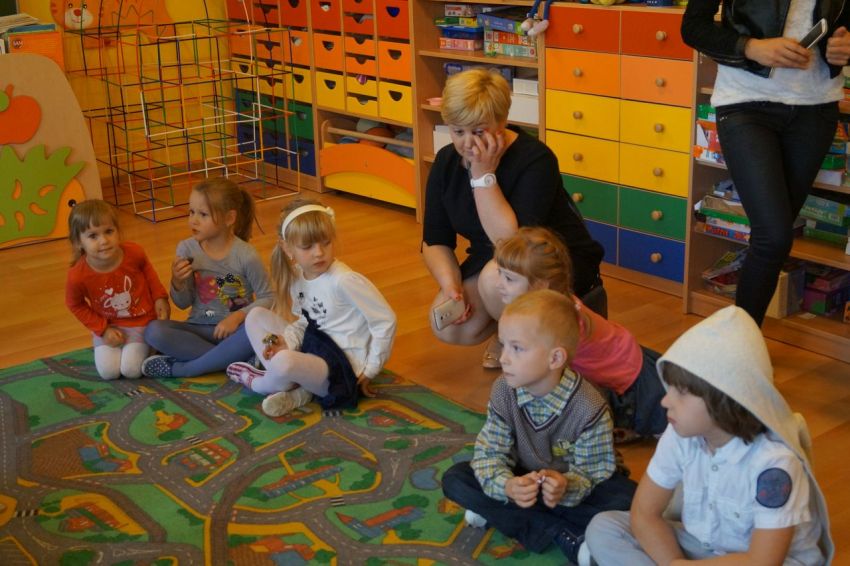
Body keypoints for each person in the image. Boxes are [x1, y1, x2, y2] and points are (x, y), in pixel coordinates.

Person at [585, 306, 834, 565]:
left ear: (724, 400)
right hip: (706, 550)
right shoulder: (680, 434)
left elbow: (763, 560)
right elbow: (644, 514)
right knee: (605, 528)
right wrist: (674, 563)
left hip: (767, 562)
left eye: (681, 393)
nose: (665, 401)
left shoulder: (773, 465)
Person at [421, 68, 605, 368]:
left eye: (478, 131)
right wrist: (452, 287)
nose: (467, 143)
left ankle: (521, 344)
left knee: (495, 278)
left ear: (502, 121)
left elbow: (511, 242)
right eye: (458, 131)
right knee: (448, 324)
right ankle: (508, 328)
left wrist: (483, 175)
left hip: (550, 260)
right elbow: (434, 239)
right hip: (495, 259)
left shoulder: (536, 159)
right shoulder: (446, 161)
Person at [681, 0, 850, 325]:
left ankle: (743, 339)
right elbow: (693, 27)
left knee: (773, 240)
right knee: (773, 237)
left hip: (815, 110)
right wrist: (751, 48)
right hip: (745, 104)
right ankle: (740, 343)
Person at [441, 290, 636, 565]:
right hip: (523, 477)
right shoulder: (503, 390)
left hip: (575, 485)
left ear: (555, 359)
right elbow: (490, 452)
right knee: (456, 479)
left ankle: (502, 513)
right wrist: (507, 486)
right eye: (503, 345)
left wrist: (565, 486)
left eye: (517, 348)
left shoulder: (589, 407)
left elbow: (593, 472)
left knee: (630, 501)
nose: (503, 358)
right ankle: (564, 534)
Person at [225, 199, 397, 416]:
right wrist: (285, 340)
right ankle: (298, 389)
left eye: (326, 243)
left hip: (341, 370)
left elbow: (385, 320)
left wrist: (371, 369)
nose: (319, 253)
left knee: (284, 362)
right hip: (313, 349)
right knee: (255, 316)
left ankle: (259, 382)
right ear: (287, 248)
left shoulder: (344, 280)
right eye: (307, 247)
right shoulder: (298, 276)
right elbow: (306, 323)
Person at [494, 227, 667, 440]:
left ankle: (627, 425)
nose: (499, 284)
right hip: (624, 363)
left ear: (540, 285)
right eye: (499, 273)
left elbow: (547, 379)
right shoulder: (548, 304)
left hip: (632, 387)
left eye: (509, 279)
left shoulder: (554, 320)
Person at [141, 178, 273, 377]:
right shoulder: (186, 249)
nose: (193, 221)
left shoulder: (246, 255)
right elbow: (182, 303)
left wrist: (237, 317)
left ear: (229, 218)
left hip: (236, 332)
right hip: (198, 329)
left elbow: (269, 297)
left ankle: (182, 368)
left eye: (203, 214)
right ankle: (235, 362)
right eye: (191, 212)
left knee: (260, 330)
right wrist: (177, 281)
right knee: (153, 331)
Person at [65, 199, 170, 380]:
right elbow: (75, 304)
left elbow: (150, 274)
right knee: (109, 373)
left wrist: (160, 297)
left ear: (117, 231)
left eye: (109, 231)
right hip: (108, 326)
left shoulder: (134, 252)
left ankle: (153, 347)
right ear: (78, 242)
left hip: (141, 322)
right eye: (93, 236)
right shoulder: (77, 275)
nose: (104, 241)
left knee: (131, 370)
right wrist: (102, 329)